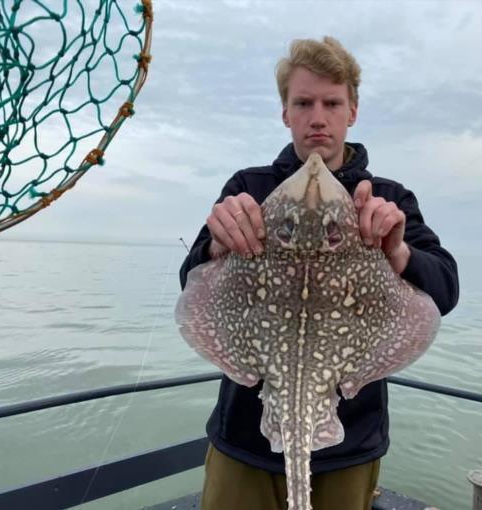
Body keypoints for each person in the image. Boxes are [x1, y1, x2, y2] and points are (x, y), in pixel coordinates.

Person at [179, 36, 459, 510]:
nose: (317, 117)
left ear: (352, 110)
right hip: (244, 439)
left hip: (351, 445)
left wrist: (399, 252)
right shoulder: (250, 188)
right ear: (285, 112)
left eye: (332, 103)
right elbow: (192, 280)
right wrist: (217, 241)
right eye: (303, 102)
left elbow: (446, 288)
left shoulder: (389, 199)